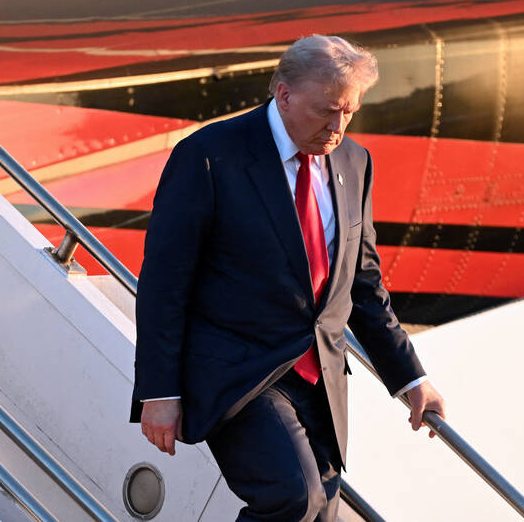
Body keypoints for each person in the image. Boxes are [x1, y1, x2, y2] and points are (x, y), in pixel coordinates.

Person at [130, 34, 446, 521]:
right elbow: (164, 284)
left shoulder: (353, 163)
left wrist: (411, 378)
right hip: (240, 374)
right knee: (294, 497)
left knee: (321, 511)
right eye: (326, 110)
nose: (337, 126)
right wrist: (159, 391)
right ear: (284, 94)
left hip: (321, 376)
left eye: (349, 111)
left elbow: (362, 286)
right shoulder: (211, 156)